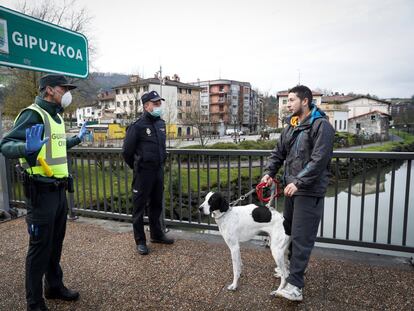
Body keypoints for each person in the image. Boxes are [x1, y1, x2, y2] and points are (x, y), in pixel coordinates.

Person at [0, 74, 87, 311]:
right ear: (49, 90)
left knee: (55, 244)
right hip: (40, 192)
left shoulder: (55, 117)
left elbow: (55, 145)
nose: (67, 93)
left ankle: (54, 286)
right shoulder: (33, 114)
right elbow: (6, 145)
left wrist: (77, 139)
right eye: (63, 88)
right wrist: (25, 148)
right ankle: (34, 303)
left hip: (58, 192)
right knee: (39, 248)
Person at [261, 85, 334, 302]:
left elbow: (319, 160)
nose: (288, 103)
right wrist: (269, 173)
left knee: (302, 237)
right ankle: (294, 270)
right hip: (292, 189)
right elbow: (278, 153)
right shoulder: (292, 127)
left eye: (291, 100)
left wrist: (300, 182)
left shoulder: (321, 126)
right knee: (290, 230)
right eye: (288, 100)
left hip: (308, 191)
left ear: (305, 101)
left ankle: (295, 286)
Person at [122, 90, 174, 256]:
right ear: (146, 106)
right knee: (139, 208)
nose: (159, 106)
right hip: (143, 173)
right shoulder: (137, 126)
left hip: (158, 171)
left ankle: (157, 235)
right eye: (156, 103)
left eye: (160, 103)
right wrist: (138, 167)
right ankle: (140, 241)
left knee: (156, 205)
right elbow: (127, 152)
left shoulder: (161, 124)